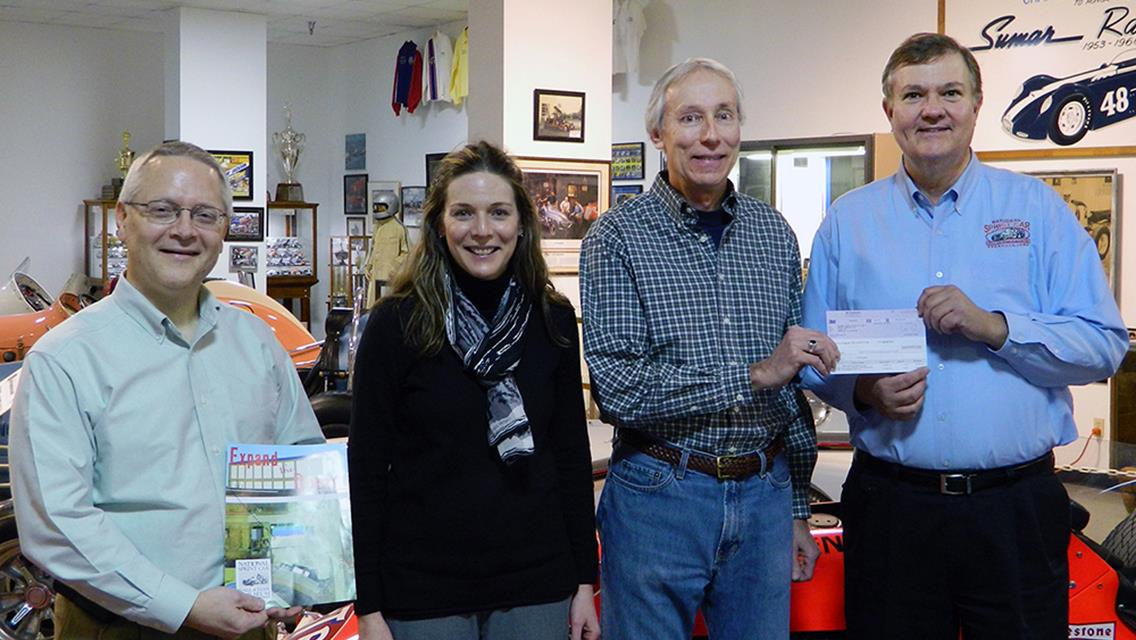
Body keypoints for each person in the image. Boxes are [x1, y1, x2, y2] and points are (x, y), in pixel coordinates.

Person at [801, 33, 1128, 639]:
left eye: (950, 92)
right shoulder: (848, 222)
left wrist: (997, 328)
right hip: (892, 507)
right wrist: (865, 393)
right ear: (889, 110)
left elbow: (1104, 343)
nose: (932, 109)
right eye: (914, 95)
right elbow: (815, 357)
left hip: (1015, 509)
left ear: (977, 106)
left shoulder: (1039, 212)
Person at [10, 140, 324, 639]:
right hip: (119, 627)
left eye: (205, 215)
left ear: (224, 229)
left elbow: (300, 466)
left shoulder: (256, 342)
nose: (183, 230)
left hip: (251, 623)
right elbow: (58, 526)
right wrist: (184, 605)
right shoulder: (66, 359)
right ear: (122, 220)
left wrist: (294, 581)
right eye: (162, 210)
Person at [580, 58, 835, 640]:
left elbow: (789, 386)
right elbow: (620, 390)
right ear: (658, 134)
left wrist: (796, 501)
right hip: (659, 495)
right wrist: (752, 375)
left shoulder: (773, 234)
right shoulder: (617, 238)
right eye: (690, 118)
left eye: (725, 115)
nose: (711, 135)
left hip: (765, 494)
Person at [348, 141, 600, 640]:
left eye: (498, 213)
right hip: (422, 590)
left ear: (522, 224)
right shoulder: (397, 324)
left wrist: (584, 583)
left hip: (537, 583)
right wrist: (369, 606)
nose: (482, 231)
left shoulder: (551, 321)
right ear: (440, 224)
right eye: (464, 213)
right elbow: (368, 471)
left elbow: (570, 456)